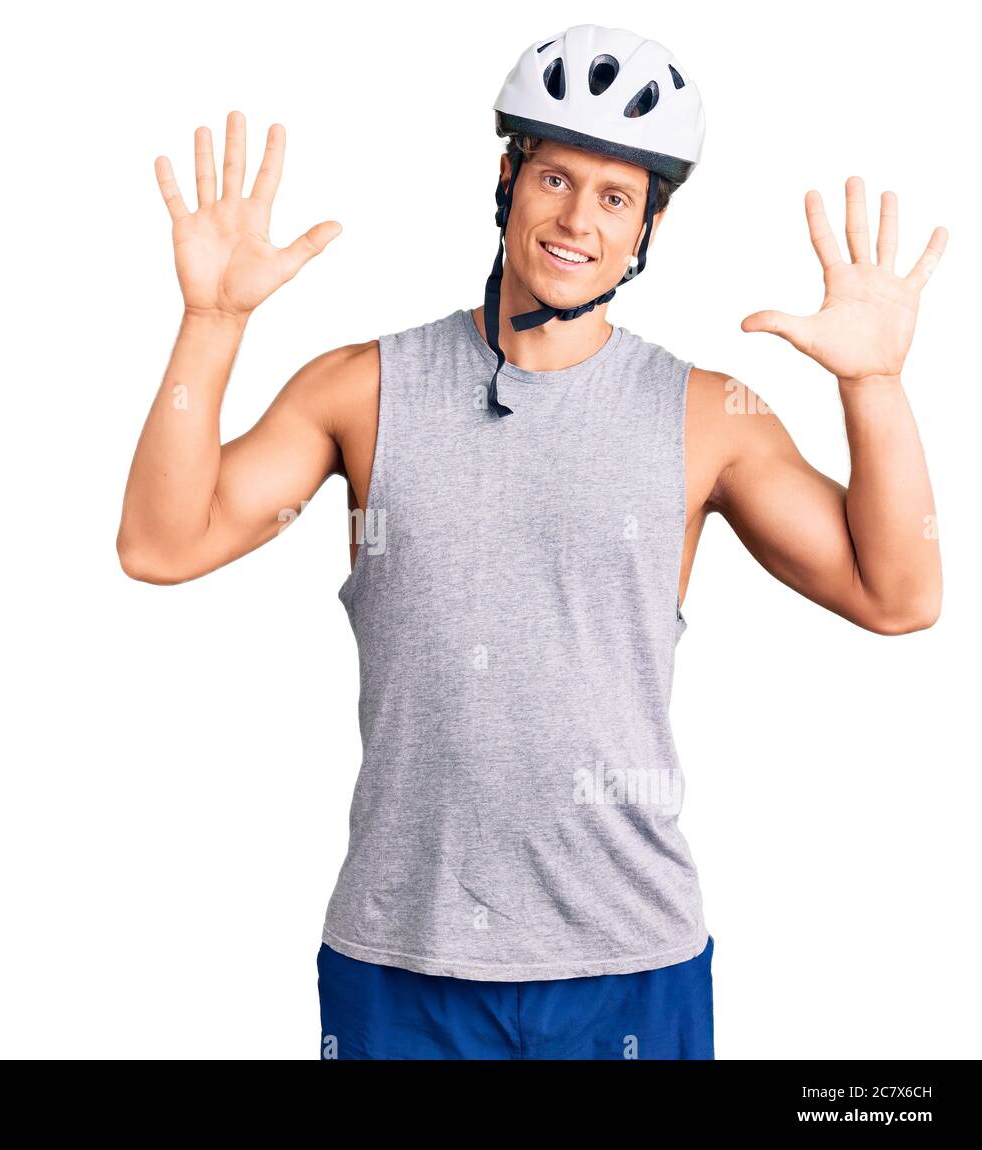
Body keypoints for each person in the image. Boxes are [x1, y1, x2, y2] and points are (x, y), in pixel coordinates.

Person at [118, 24, 947, 1059]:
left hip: (627, 964)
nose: (575, 219)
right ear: (507, 178)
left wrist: (871, 387)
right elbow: (160, 542)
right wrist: (210, 323)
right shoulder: (362, 388)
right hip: (399, 958)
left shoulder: (707, 415)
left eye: (614, 196)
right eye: (555, 177)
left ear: (646, 225)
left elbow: (898, 594)